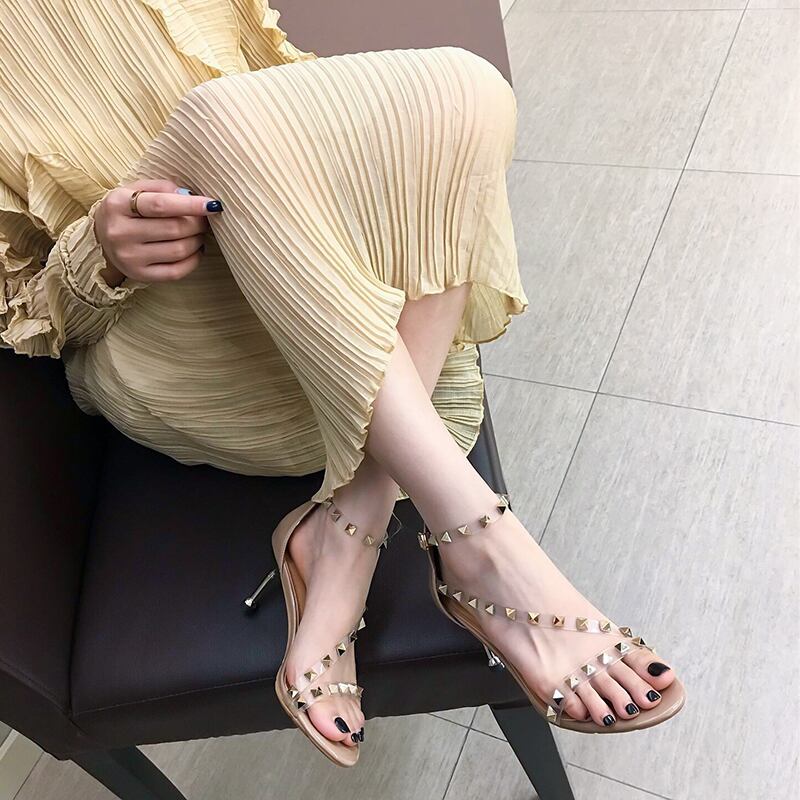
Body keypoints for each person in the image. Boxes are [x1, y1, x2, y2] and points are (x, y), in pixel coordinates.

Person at [0, 0, 683, 768]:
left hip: (314, 299)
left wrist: (304, 163)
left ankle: (347, 532)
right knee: (217, 118)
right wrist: (101, 250)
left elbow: (268, 91)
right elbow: (23, 312)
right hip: (175, 341)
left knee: (464, 89)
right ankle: (482, 549)